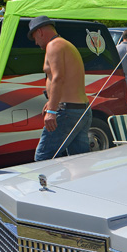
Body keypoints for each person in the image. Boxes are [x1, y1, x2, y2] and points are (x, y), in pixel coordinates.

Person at [28, 16, 93, 161]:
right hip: (81, 109)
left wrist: (52, 110)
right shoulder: (66, 44)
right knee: (79, 160)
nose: (36, 43)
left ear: (40, 32)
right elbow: (68, 78)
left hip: (67, 111)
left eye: (34, 38)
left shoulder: (54, 45)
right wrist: (52, 100)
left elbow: (58, 78)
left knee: (43, 157)